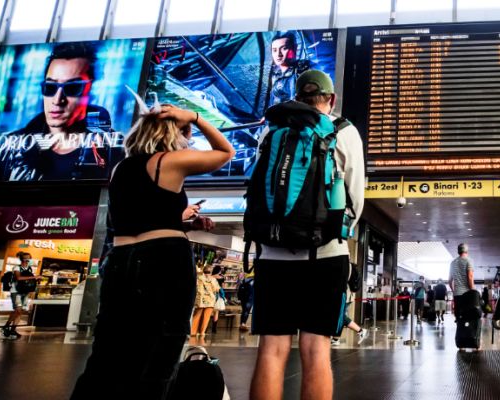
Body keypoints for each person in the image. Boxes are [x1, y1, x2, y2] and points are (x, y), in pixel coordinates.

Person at [70, 97, 234, 399]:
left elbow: (138, 222)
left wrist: (186, 224)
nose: (191, 138)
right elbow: (225, 152)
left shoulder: (121, 169)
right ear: (172, 133)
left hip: (120, 262)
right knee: (160, 352)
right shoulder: (167, 162)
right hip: (165, 261)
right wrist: (195, 116)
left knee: (107, 354)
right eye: (187, 132)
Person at [248, 70, 364, 400]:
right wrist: (341, 231)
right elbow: (355, 196)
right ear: (332, 99)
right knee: (316, 351)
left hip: (272, 255)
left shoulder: (273, 130)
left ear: (297, 96)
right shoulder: (343, 131)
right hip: (325, 254)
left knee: (271, 350)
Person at [0, 42, 122, 181]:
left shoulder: (114, 149)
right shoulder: (11, 147)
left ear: (91, 91)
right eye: (50, 87)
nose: (57, 99)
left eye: (72, 88)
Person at [2, 252, 38, 339]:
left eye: (29, 258)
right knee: (18, 310)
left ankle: (13, 329)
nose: (28, 260)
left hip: (25, 292)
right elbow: (19, 278)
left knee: (20, 311)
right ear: (22, 259)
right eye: (26, 258)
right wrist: (34, 277)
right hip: (16, 291)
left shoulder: (29, 268)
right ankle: (6, 326)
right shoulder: (17, 267)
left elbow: (28, 280)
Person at [191, 265, 220, 338]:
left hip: (200, 300)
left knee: (197, 316)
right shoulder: (213, 280)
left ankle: (193, 332)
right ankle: (202, 332)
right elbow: (216, 289)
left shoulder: (198, 278)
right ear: (211, 272)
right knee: (206, 317)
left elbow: (195, 288)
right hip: (210, 300)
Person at [449, 243, 475, 319]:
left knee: (458, 317)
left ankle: (459, 329)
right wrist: (473, 291)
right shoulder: (469, 260)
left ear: (458, 251)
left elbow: (450, 280)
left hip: (457, 294)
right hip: (467, 294)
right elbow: (470, 277)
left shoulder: (453, 263)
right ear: (467, 251)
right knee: (467, 317)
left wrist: (454, 291)